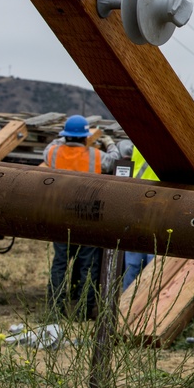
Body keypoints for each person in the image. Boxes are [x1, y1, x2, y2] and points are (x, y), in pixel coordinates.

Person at [43, 114, 121, 320]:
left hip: (60, 215)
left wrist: (62, 138)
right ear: (86, 137)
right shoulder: (95, 155)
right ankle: (83, 312)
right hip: (87, 217)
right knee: (88, 265)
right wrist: (109, 143)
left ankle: (55, 309)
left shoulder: (53, 153)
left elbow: (48, 147)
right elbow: (114, 159)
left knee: (60, 263)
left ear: (65, 135)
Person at [116, 142, 158, 290]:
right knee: (152, 264)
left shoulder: (138, 142)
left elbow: (122, 146)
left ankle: (126, 304)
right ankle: (146, 305)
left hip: (137, 202)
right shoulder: (168, 147)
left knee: (133, 262)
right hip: (159, 205)